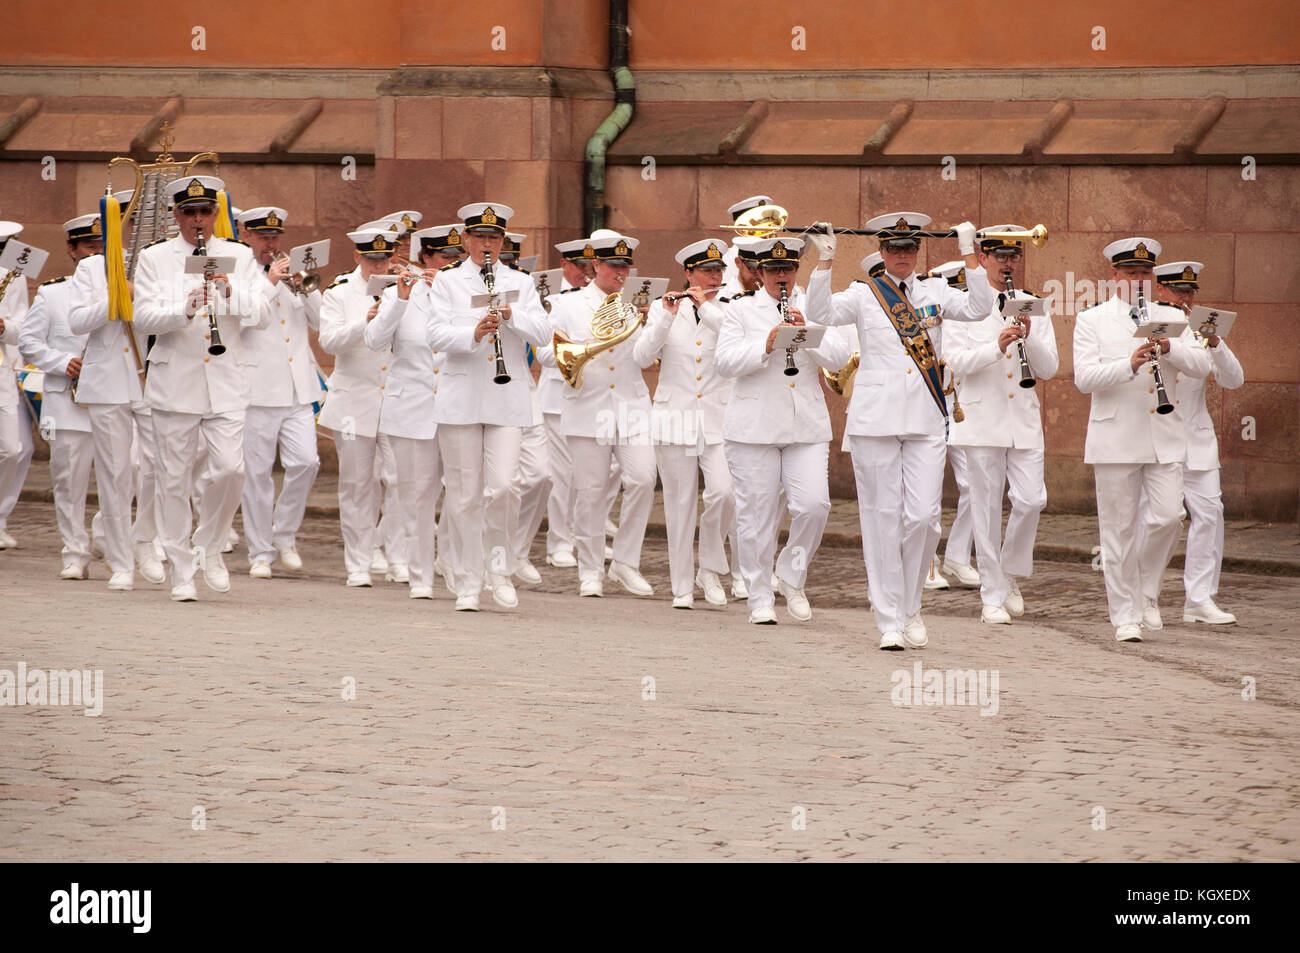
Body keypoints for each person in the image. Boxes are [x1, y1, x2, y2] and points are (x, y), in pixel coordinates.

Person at [820, 212, 991, 650]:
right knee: (881, 520)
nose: (902, 256)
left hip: (925, 418)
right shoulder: (862, 294)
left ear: (917, 252)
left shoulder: (935, 289)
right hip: (874, 420)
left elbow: (979, 308)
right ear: (881, 252)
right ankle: (889, 619)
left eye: (909, 249)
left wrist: (970, 255)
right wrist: (824, 261)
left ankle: (911, 606)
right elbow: (821, 312)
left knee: (924, 518)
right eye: (894, 249)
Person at [131, 175, 270, 601]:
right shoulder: (155, 258)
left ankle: (209, 544)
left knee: (232, 469)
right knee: (173, 478)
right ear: (176, 215)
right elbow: (143, 318)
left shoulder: (239, 255)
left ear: (216, 215)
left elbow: (261, 314)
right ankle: (181, 569)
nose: (197, 220)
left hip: (227, 379)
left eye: (205, 212)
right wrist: (184, 308)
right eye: (189, 212)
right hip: (176, 380)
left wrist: (227, 292)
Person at [1073, 238, 1211, 642]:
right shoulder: (1093, 319)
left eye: (1144, 273)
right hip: (1115, 436)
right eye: (1130, 273)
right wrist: (1127, 365)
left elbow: (1202, 364)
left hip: (1164, 436)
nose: (1138, 280)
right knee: (1116, 532)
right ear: (1114, 276)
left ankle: (1145, 591)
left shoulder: (1170, 314)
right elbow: (1084, 379)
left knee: (1169, 516)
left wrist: (1170, 347)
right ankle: (1125, 615)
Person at [715, 233, 850, 624]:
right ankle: (758, 594)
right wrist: (766, 343)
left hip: (804, 426)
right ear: (760, 272)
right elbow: (724, 363)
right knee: (755, 514)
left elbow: (840, 356)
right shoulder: (741, 310)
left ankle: (792, 575)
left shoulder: (813, 304)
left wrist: (808, 333)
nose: (782, 277)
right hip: (753, 429)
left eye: (788, 268)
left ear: (796, 270)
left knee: (814, 505)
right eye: (774, 270)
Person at [426, 202, 552, 611]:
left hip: (506, 397)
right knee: (463, 495)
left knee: (502, 488)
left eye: (493, 238)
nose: (486, 244)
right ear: (465, 240)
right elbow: (435, 334)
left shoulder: (521, 281)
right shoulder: (447, 281)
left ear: (503, 242)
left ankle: (499, 568)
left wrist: (512, 315)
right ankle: (467, 580)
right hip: (461, 397)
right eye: (479, 237)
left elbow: (544, 332)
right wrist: (474, 332)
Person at [941, 229, 1059, 623]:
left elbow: (1049, 368)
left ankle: (1009, 573)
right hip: (980, 419)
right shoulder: (962, 305)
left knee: (1031, 500)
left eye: (1013, 257)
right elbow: (954, 361)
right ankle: (992, 595)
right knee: (986, 509)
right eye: (999, 256)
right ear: (984, 258)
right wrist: (998, 345)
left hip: (1023, 421)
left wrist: (1029, 335)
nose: (1007, 264)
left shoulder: (1032, 304)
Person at [538, 229, 657, 598]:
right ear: (596, 265)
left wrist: (653, 324)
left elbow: (645, 358)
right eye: (613, 266)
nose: (621, 273)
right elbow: (544, 355)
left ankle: (625, 562)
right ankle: (590, 571)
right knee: (589, 493)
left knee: (642, 479)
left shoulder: (636, 304)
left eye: (625, 266)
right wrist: (589, 345)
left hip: (631, 406)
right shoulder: (567, 304)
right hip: (587, 407)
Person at [66, 194, 168, 590]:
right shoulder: (93, 266)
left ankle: (143, 539)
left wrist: (139, 295)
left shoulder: (158, 263)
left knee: (161, 465)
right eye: (130, 220)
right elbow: (77, 322)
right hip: (108, 379)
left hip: (152, 375)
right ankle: (121, 561)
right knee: (114, 473)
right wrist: (115, 296)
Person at [632, 238, 738, 609]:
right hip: (674, 417)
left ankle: (708, 567)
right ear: (689, 274)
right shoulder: (667, 312)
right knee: (679, 504)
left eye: (718, 271)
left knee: (724, 493)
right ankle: (681, 587)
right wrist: (664, 315)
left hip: (719, 418)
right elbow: (642, 356)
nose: (713, 276)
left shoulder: (728, 310)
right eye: (706, 271)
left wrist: (705, 307)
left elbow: (732, 338)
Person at [366, 225, 458, 600]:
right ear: (425, 260)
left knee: (463, 493)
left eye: (457, 258)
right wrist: (401, 301)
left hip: (456, 406)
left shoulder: (465, 295)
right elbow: (373, 341)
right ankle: (419, 574)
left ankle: (453, 563)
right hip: (410, 407)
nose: (451, 265)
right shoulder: (396, 294)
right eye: (443, 258)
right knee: (415, 494)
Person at [1152, 260, 1243, 625]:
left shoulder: (1201, 328)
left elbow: (1234, 379)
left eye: (1190, 291)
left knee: (1210, 515)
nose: (1185, 298)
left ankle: (1199, 599)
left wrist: (1217, 343)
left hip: (1198, 440)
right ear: (1161, 290)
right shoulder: (1149, 323)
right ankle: (1146, 595)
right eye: (1178, 291)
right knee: (1160, 521)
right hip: (1158, 439)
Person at [235, 206, 323, 579]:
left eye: (275, 237)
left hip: (297, 389)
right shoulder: (243, 276)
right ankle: (259, 551)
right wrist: (271, 282)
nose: (271, 244)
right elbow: (249, 318)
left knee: (307, 462)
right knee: (256, 474)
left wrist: (305, 287)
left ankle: (283, 534)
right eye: (263, 237)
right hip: (257, 390)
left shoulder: (293, 277)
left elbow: (321, 324)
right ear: (247, 238)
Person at [17, 213, 104, 580]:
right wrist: (60, 361)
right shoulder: (53, 294)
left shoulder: (123, 288)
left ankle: (104, 534)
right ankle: (75, 552)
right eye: (88, 247)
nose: (95, 255)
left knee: (130, 471)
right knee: (69, 479)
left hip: (110, 398)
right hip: (66, 401)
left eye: (101, 248)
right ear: (72, 250)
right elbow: (29, 343)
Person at [316, 227, 402, 587]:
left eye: (384, 259)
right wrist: (364, 320)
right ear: (357, 258)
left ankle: (398, 556)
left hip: (396, 399)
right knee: (357, 483)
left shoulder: (404, 289)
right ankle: (359, 563)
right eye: (371, 259)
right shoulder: (339, 293)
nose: (378, 266)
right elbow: (329, 341)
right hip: (354, 399)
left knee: (401, 480)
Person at [533, 238, 595, 570]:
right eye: (580, 267)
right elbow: (541, 353)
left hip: (594, 399)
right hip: (558, 399)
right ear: (566, 266)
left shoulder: (601, 301)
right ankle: (559, 541)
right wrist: (571, 350)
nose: (585, 274)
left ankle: (585, 536)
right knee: (562, 477)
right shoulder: (553, 301)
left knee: (592, 478)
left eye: (590, 267)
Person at [0, 220, 33, 551]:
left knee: (13, 448)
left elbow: (23, 324)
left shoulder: (15, 275)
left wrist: (3, 326)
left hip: (3, 371)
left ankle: (0, 517)